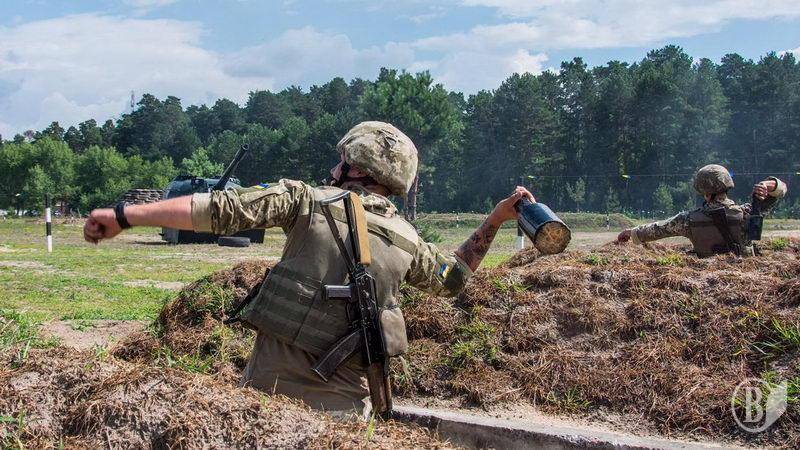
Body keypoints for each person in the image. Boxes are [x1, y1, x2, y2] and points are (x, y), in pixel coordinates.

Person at [83, 121, 534, 416]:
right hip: (346, 420)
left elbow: (219, 210)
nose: (334, 167)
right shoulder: (409, 241)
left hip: (266, 406)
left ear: (355, 167)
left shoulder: (304, 200)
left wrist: (125, 216)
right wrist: (495, 219)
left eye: (342, 160)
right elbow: (455, 277)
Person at [617, 164, 787, 257]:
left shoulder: (687, 220)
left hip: (707, 283)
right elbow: (782, 190)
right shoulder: (748, 213)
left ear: (703, 192)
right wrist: (766, 185)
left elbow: (656, 230)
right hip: (746, 282)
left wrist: (630, 233)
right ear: (727, 186)